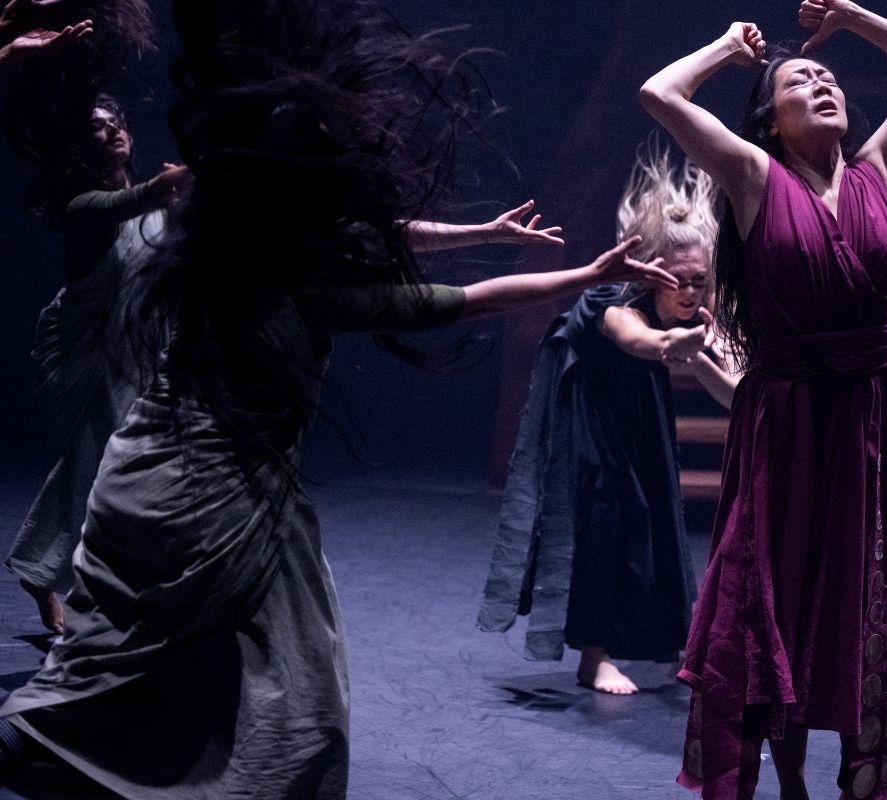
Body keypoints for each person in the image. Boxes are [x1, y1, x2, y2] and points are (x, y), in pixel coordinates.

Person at [0, 0, 677, 795]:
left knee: (172, 647)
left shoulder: (223, 253)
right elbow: (469, 295)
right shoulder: (263, 270)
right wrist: (585, 276)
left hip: (150, 474)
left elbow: (420, 259)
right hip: (189, 475)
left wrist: (514, 246)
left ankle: (118, 734)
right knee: (272, 675)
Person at [640, 0, 887, 796]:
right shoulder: (753, 176)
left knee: (856, 603)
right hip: (785, 428)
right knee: (771, 605)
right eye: (799, 80)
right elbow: (660, 95)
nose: (822, 82)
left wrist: (850, 18)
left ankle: (852, 779)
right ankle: (786, 780)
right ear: (772, 121)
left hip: (867, 424)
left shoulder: (881, 169)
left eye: (828, 75)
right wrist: (724, 47)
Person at [478, 144, 738, 696]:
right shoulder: (610, 303)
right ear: (653, 275)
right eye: (679, 281)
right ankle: (592, 659)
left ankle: (660, 644)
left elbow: (737, 394)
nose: (690, 292)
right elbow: (640, 342)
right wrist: (676, 342)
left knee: (651, 530)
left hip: (640, 435)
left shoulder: (710, 314)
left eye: (699, 281)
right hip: (591, 438)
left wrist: (705, 353)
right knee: (601, 534)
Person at [6, 94, 184, 636]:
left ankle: (49, 570)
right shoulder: (84, 208)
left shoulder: (156, 206)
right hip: (87, 345)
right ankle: (94, 586)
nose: (112, 132)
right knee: (105, 459)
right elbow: (128, 205)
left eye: (117, 122)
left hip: (140, 340)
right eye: (97, 128)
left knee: (107, 459)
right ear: (81, 149)